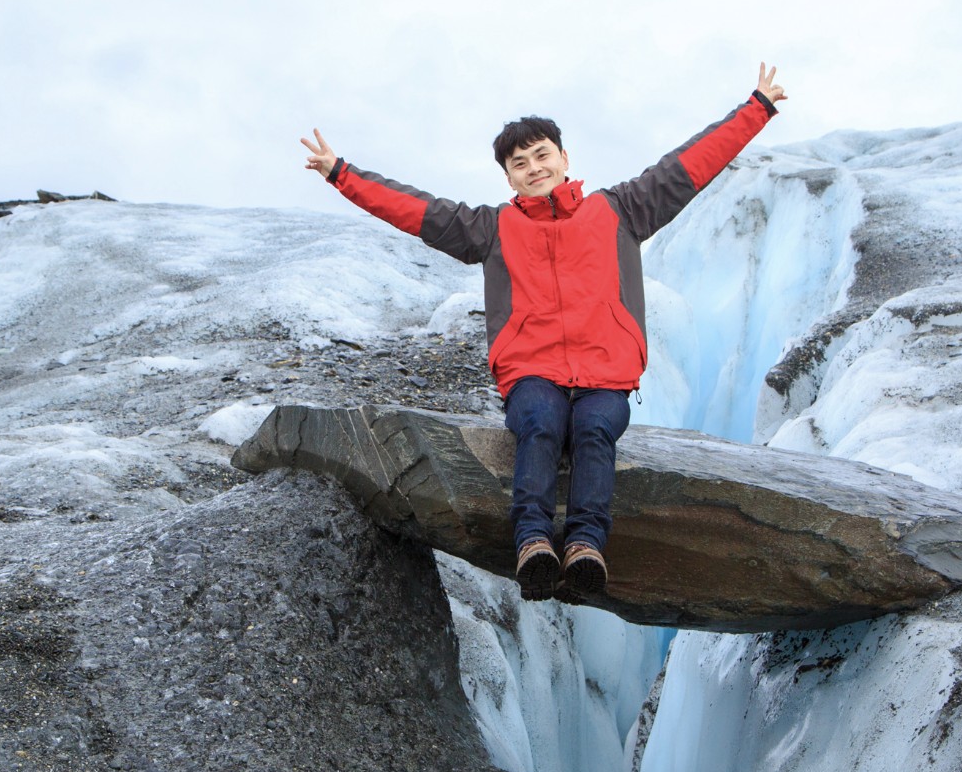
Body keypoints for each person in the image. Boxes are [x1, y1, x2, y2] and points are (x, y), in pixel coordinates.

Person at [301, 65, 787, 601]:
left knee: (595, 428)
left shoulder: (619, 209)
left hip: (605, 371)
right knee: (540, 421)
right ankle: (533, 541)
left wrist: (756, 108)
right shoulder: (491, 228)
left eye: (541, 155)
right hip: (531, 370)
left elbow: (688, 167)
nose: (533, 168)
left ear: (563, 158)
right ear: (508, 178)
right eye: (519, 163)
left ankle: (585, 546)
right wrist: (340, 172)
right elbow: (416, 210)